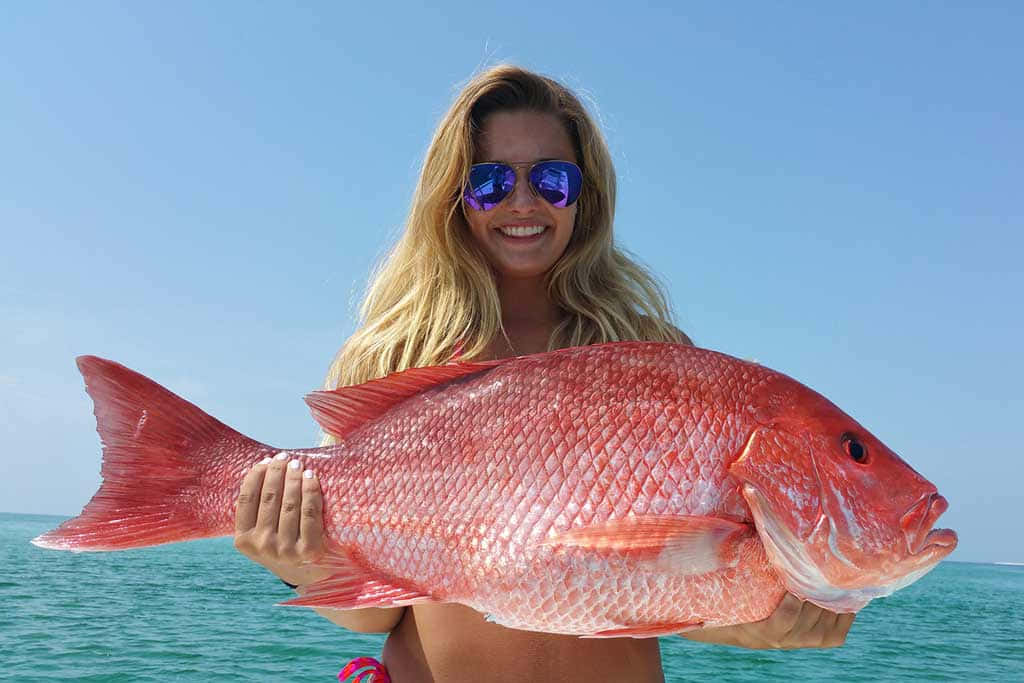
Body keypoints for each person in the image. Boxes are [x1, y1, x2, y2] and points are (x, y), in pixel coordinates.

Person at [233, 64, 854, 682]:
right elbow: (383, 613)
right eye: (490, 181)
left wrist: (764, 623)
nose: (523, 202)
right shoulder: (395, 355)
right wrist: (300, 562)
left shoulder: (649, 353)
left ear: (585, 197)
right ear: (453, 194)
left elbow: (671, 596)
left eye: (553, 179)